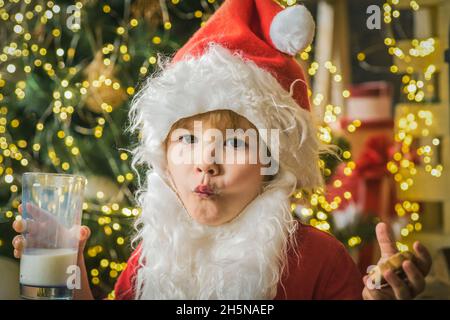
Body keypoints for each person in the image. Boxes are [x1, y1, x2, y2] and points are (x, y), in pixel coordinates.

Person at [12, 0, 431, 300]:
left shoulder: (320, 259)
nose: (205, 163)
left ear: (274, 162)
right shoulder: (152, 255)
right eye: (187, 139)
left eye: (233, 143)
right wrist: (70, 273)